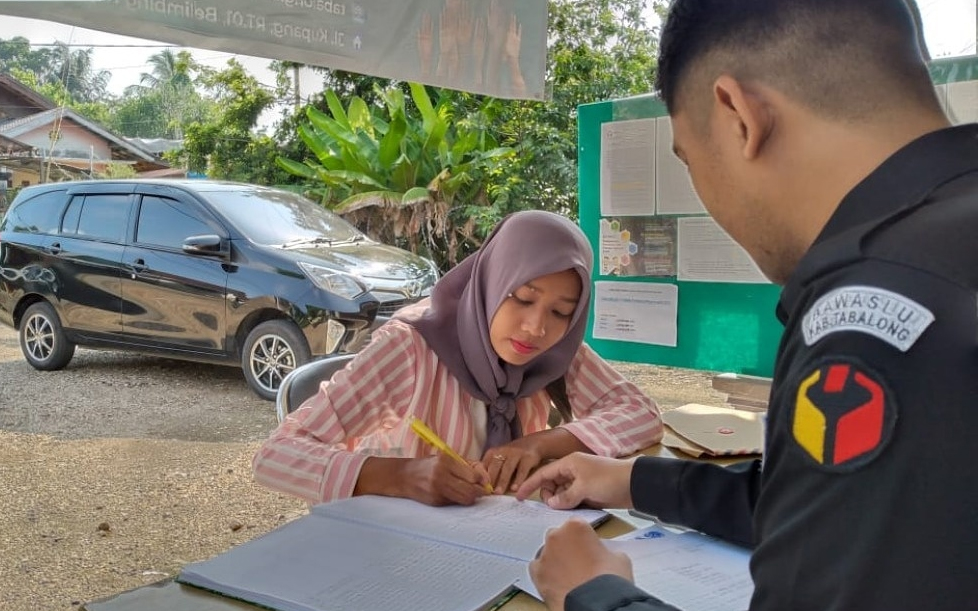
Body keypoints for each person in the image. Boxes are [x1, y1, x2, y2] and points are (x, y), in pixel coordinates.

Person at [516, 1, 978, 610]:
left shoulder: (876, 314)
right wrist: (631, 478)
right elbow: (846, 510)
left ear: (738, 115)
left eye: (689, 159)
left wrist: (595, 596)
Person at [252, 210, 663, 507]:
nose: (536, 327)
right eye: (522, 298)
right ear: (491, 282)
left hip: (504, 543)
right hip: (396, 553)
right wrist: (401, 476)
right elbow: (275, 455)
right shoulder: (411, 348)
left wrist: (541, 443)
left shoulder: (552, 350)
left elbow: (640, 413)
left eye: (561, 312)